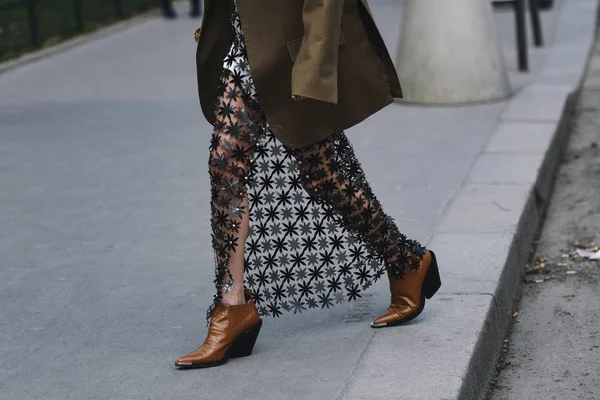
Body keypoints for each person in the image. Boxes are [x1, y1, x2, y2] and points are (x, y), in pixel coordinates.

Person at [175, 0, 442, 369]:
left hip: (292, 50)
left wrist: (313, 64)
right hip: (242, 46)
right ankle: (231, 305)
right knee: (224, 164)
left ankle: (405, 259)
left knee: (321, 176)